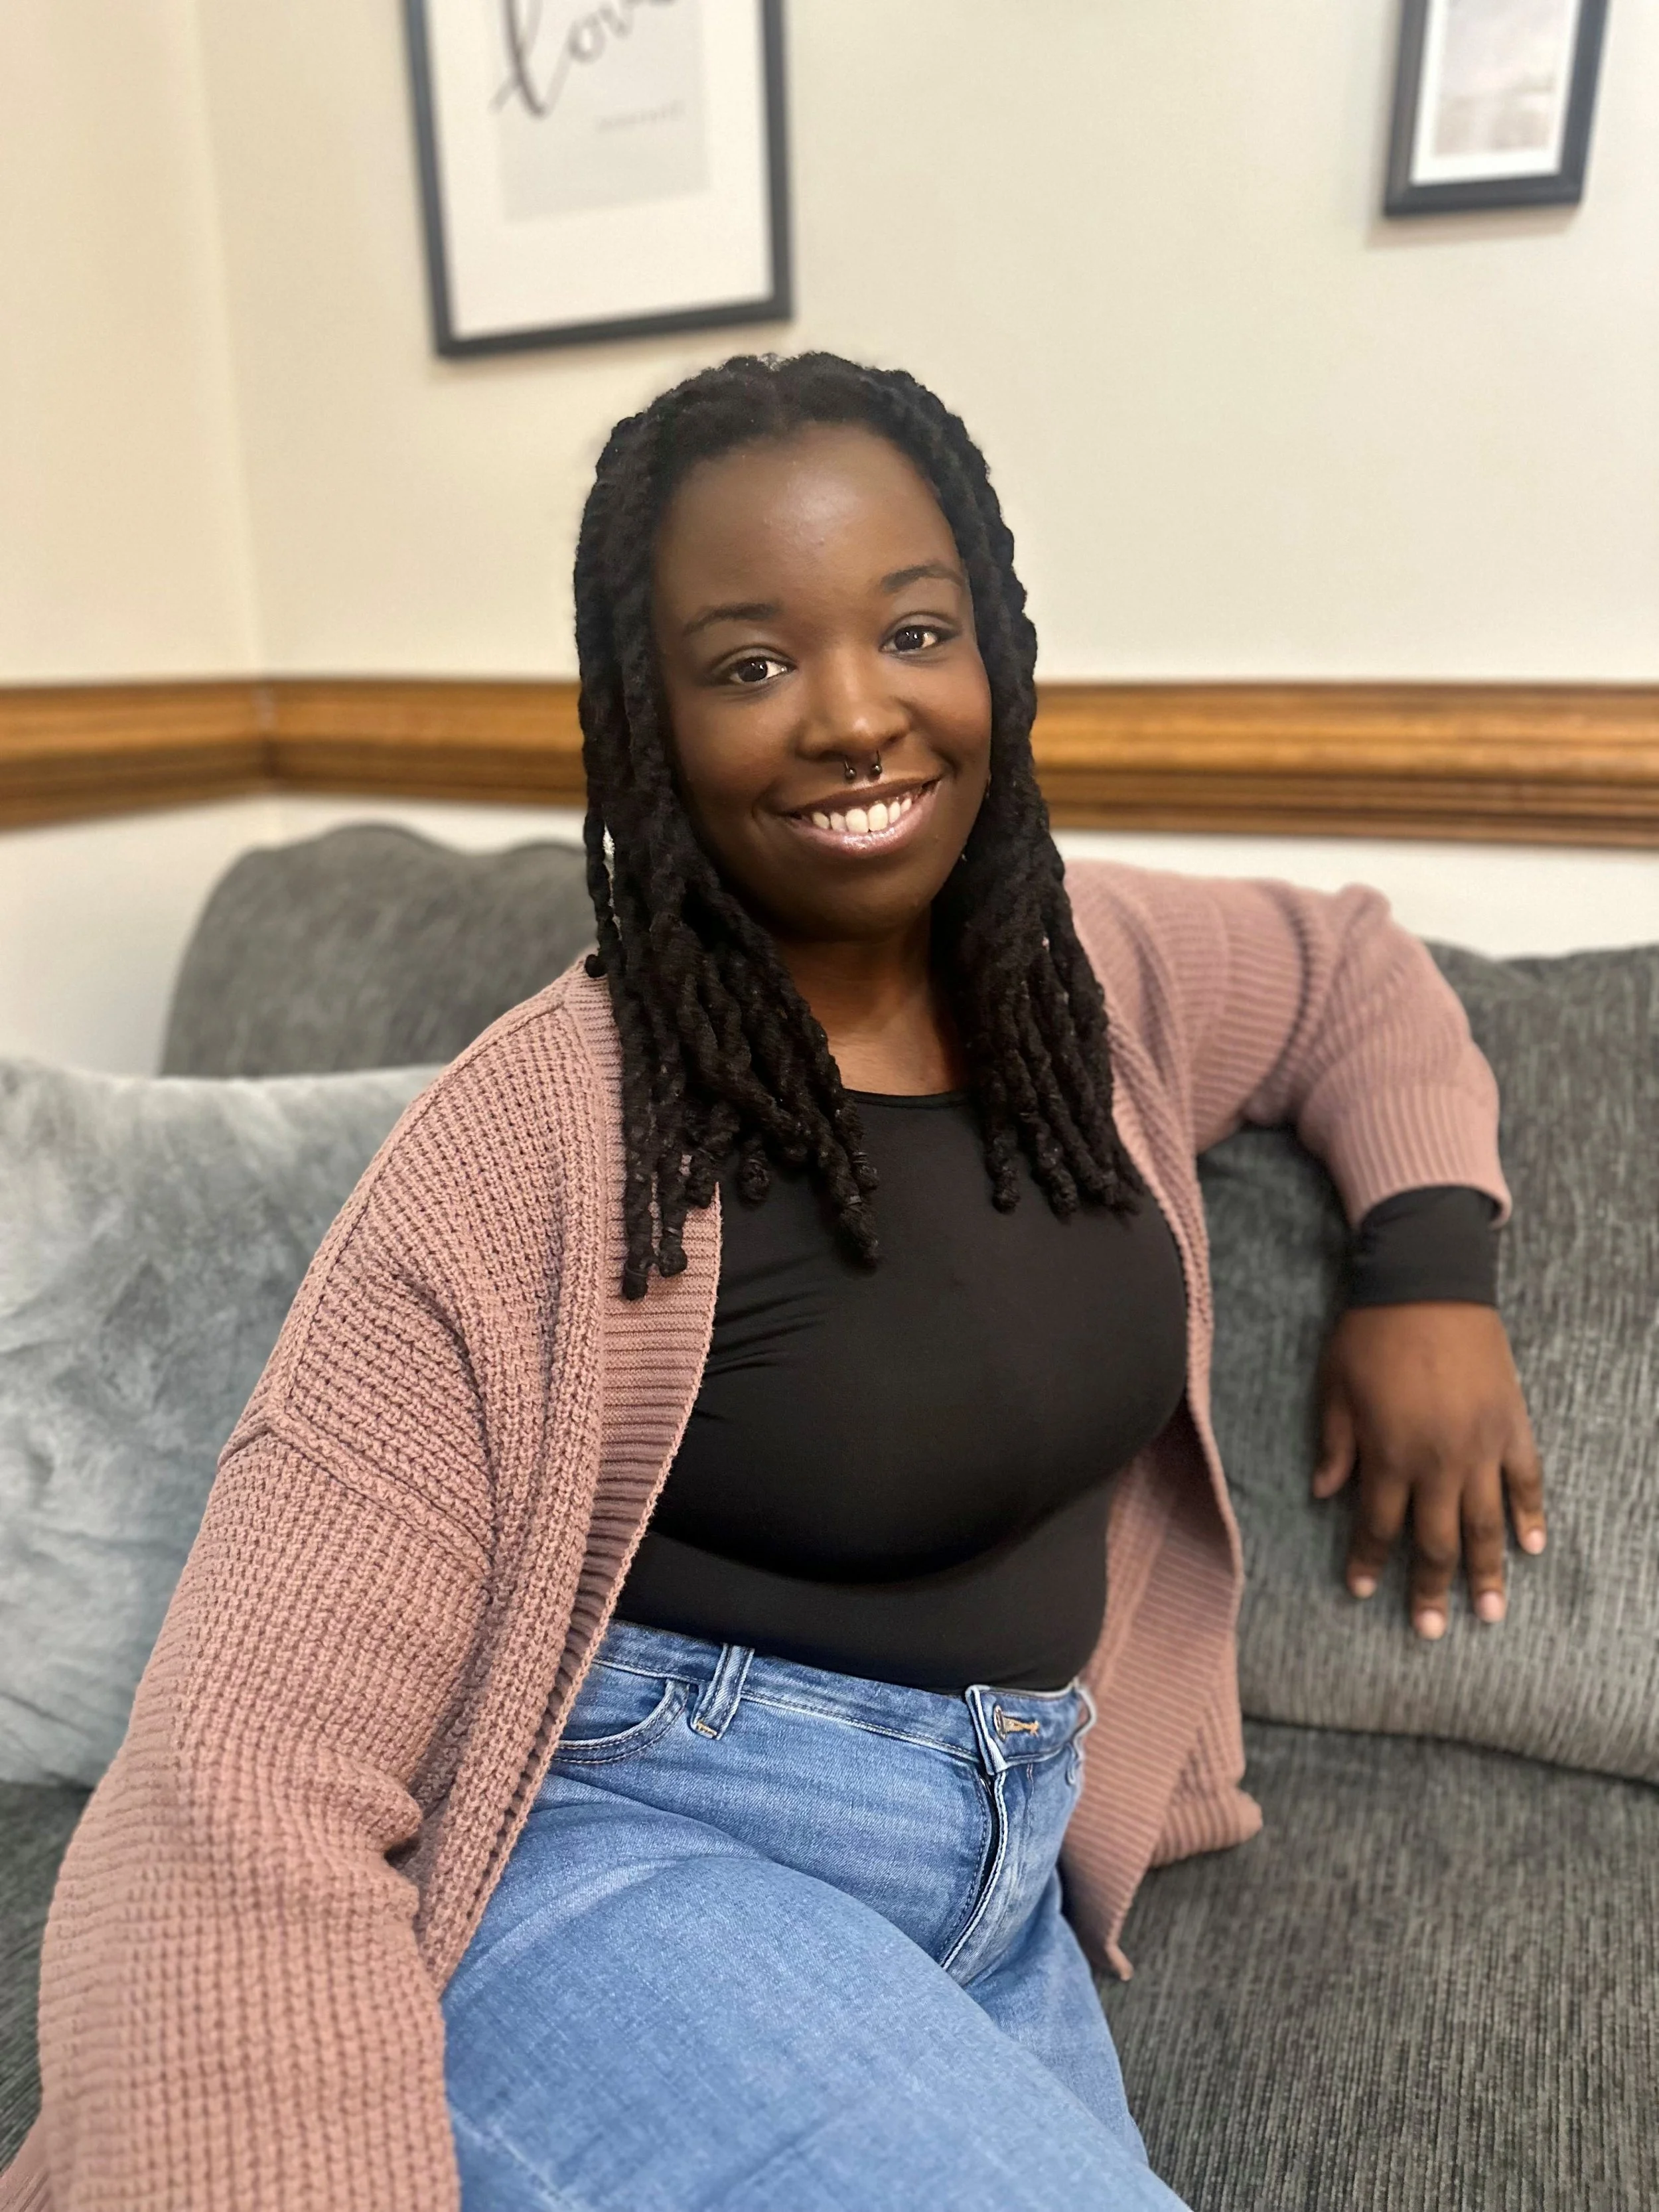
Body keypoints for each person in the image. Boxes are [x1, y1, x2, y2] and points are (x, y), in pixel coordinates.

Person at [4, 354, 1546, 2212]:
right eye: (748, 663)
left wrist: (1427, 1268)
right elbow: (237, 1782)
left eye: (914, 628)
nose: (851, 715)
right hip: (620, 1855)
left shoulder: (1088, 976)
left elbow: (1342, 973)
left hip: (1002, 1880)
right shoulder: (541, 1146)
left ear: (998, 655)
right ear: (647, 725)